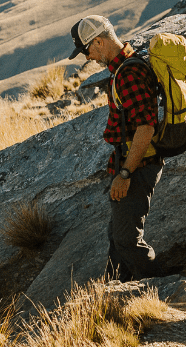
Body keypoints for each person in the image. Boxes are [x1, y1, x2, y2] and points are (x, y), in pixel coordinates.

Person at [69, 15, 167, 280]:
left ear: (99, 42)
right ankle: (116, 290)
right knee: (117, 237)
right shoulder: (124, 68)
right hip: (130, 163)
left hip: (137, 166)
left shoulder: (129, 73)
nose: (87, 57)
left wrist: (125, 174)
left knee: (127, 240)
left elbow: (146, 128)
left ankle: (160, 288)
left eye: (87, 50)